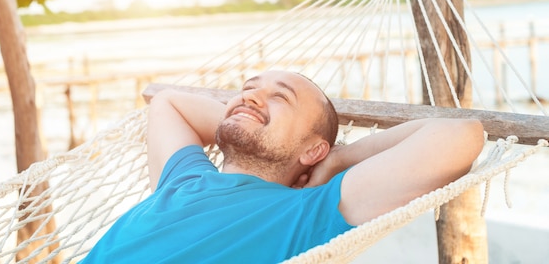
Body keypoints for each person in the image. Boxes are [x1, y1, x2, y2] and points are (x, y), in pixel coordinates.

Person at [81, 70, 484, 263]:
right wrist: (241, 115)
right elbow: (169, 102)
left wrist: (339, 158)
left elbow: (462, 136)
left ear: (313, 150)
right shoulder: (183, 176)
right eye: (248, 89)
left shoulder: (310, 214)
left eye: (281, 98)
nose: (252, 96)